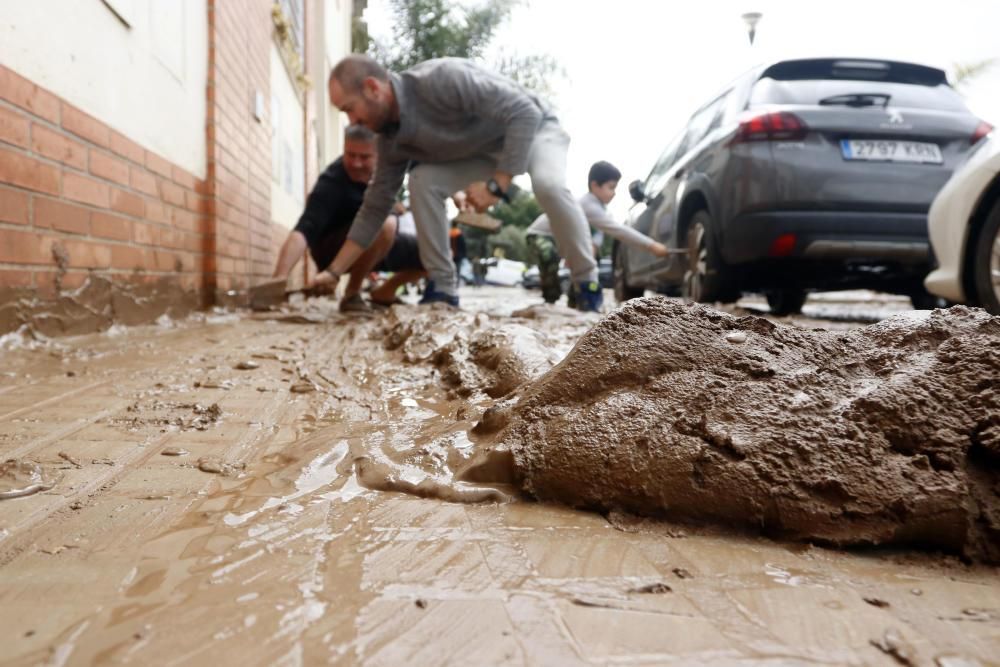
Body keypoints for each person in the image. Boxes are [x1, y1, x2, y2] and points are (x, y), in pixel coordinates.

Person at [321, 54, 603, 311]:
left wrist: (497, 186)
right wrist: (333, 272)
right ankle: (442, 287)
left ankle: (587, 282)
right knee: (423, 180)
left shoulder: (442, 78)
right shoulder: (391, 141)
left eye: (350, 108)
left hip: (536, 129)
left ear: (372, 88)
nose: (352, 121)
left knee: (548, 185)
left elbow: (524, 113)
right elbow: (374, 208)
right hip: (485, 152)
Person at [272, 125, 424, 311]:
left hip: (379, 245)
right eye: (350, 155)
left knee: (431, 252)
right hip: (333, 250)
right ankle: (352, 293)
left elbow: (431, 161)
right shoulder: (332, 181)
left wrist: (457, 191)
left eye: (364, 157)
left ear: (380, 154)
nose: (356, 163)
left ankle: (384, 292)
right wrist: (278, 281)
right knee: (385, 224)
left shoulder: (393, 166)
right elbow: (304, 230)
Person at [526, 161, 669, 305]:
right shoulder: (588, 204)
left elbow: (594, 245)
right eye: (611, 187)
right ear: (595, 186)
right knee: (548, 257)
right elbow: (619, 231)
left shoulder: (600, 211)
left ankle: (574, 300)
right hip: (540, 235)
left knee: (588, 265)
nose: (614, 193)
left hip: (566, 240)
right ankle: (550, 301)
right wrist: (651, 245)